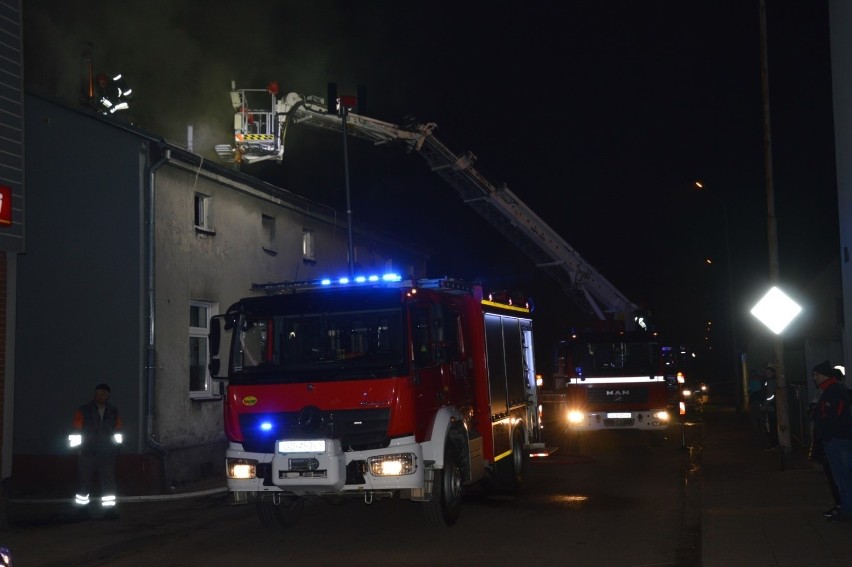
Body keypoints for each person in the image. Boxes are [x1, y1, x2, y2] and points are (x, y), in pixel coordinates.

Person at [69, 383, 123, 518]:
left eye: (104, 393)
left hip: (107, 452)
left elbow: (118, 431)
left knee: (108, 482)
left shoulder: (113, 411)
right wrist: (78, 449)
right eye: (99, 393)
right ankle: (82, 510)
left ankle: (109, 511)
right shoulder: (84, 410)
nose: (102, 395)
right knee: (84, 481)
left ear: (108, 395)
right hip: (87, 451)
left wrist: (116, 448)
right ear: (95, 394)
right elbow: (76, 430)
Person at [811, 360, 852, 522]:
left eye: (816, 375)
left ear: (823, 375)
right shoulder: (831, 390)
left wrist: (827, 435)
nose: (814, 378)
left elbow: (832, 417)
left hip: (836, 440)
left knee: (842, 477)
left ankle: (847, 509)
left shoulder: (832, 391)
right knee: (842, 476)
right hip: (837, 438)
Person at [760, 366, 779, 450]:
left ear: (773, 373)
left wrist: (764, 406)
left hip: (770, 408)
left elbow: (770, 396)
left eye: (768, 373)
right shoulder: (769, 381)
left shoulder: (771, 381)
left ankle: (773, 444)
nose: (766, 374)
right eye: (766, 373)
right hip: (772, 407)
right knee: (772, 426)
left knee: (771, 427)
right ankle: (774, 444)